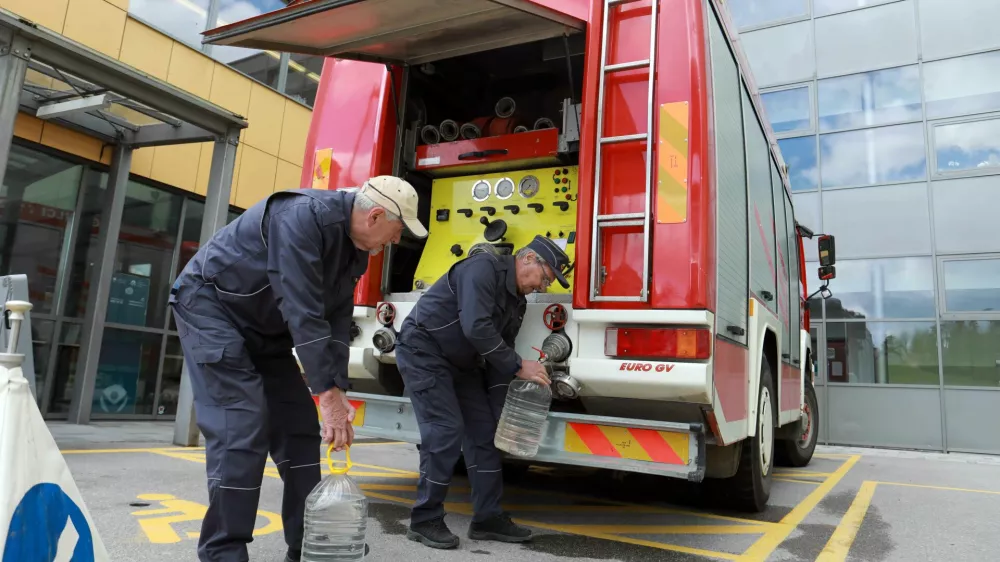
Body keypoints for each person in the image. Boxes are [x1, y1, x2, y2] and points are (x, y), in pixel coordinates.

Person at [168, 176, 428, 562]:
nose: (394, 242)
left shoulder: (354, 248)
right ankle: (223, 552)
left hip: (264, 329)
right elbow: (301, 306)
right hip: (211, 309)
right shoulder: (301, 216)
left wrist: (337, 388)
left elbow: (337, 317)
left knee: (299, 428)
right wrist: (325, 394)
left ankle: (309, 541)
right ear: (375, 216)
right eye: (396, 232)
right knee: (241, 425)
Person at [396, 235, 572, 549]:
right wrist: (521, 366)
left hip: (461, 363)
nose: (544, 287)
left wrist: (498, 408)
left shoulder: (517, 302)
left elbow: (497, 357)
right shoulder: (482, 268)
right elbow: (476, 327)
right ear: (528, 258)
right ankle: (424, 520)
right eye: (545, 278)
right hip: (424, 351)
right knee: (445, 430)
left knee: (485, 432)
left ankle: (487, 518)